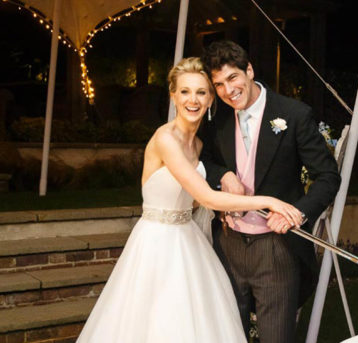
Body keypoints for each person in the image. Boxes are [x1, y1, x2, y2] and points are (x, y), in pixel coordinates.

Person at [76, 57, 303, 343]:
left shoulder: (198, 145)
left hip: (189, 241)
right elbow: (205, 194)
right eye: (184, 91)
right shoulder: (165, 140)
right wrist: (269, 201)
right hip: (157, 247)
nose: (192, 100)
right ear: (173, 96)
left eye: (201, 92)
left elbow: (196, 201)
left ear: (210, 99)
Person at [200, 40, 341, 343]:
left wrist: (298, 214)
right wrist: (223, 174)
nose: (228, 90)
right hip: (227, 245)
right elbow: (204, 160)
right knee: (226, 335)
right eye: (219, 84)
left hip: (276, 248)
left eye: (233, 78)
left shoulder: (294, 114)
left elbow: (327, 176)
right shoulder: (218, 117)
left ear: (249, 70)